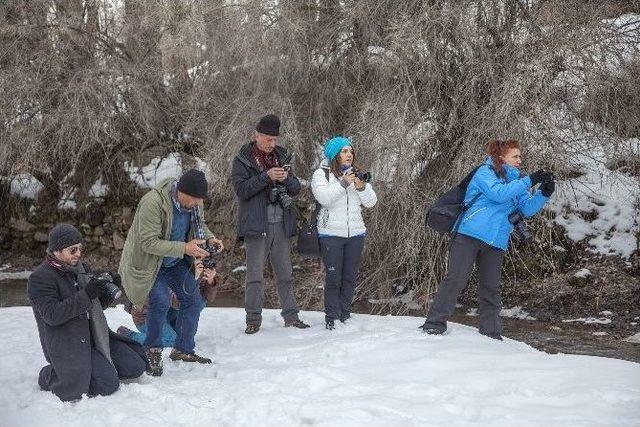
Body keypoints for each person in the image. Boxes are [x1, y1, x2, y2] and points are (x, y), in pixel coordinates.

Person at [419, 139, 554, 339]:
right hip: (468, 234)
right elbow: (498, 194)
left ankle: (491, 333)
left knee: (491, 288)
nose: (519, 160)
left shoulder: (517, 182)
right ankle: (434, 324)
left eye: (520, 156)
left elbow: (526, 209)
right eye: (515, 156)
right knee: (456, 279)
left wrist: (544, 194)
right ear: (501, 158)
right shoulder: (485, 172)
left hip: (497, 242)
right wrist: (529, 180)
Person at [118, 169, 224, 376]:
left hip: (173, 261)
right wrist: (185, 248)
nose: (196, 204)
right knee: (160, 300)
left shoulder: (194, 204)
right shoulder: (152, 203)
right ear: (181, 191)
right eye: (193, 199)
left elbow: (200, 227)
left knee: (192, 299)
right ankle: (152, 350)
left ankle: (183, 350)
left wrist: (211, 240)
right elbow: (148, 242)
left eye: (199, 200)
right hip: (150, 263)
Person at [28, 224, 148, 402]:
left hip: (95, 336)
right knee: (108, 385)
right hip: (69, 344)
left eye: (80, 249)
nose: (78, 253)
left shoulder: (80, 269)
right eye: (73, 250)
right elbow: (52, 315)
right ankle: (50, 375)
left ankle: (96, 366)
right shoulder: (40, 278)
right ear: (57, 250)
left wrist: (107, 291)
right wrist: (87, 294)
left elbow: (93, 305)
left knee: (136, 366)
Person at [231, 114, 310, 334]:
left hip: (281, 224)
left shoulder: (283, 156)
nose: (271, 144)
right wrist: (266, 177)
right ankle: (253, 320)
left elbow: (295, 189)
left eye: (274, 139)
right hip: (257, 225)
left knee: (285, 273)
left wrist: (285, 178)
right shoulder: (242, 159)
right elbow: (241, 190)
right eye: (267, 139)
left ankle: (291, 317)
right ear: (256, 135)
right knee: (254, 275)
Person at [311, 136, 378, 329]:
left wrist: (361, 186)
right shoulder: (322, 174)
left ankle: (345, 314)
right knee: (334, 277)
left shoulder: (356, 173)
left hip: (356, 234)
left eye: (350, 151)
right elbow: (324, 198)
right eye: (344, 151)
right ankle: (331, 317)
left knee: (350, 277)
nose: (349, 155)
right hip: (331, 234)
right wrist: (343, 183)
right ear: (335, 155)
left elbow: (371, 202)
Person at [118, 262, 218, 347]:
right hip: (146, 317)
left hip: (168, 313)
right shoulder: (172, 266)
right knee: (171, 340)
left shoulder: (193, 269)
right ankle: (127, 335)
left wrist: (210, 281)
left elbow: (208, 299)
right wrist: (194, 278)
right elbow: (177, 302)